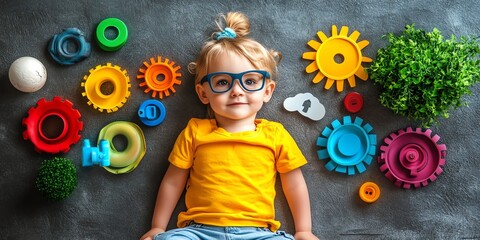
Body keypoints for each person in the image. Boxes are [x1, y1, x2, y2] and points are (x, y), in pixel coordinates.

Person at [141, 12, 319, 240]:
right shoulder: (195, 131)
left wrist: (304, 230)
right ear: (203, 93)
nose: (237, 90)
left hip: (259, 233)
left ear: (267, 91)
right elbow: (173, 181)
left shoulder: (275, 135)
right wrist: (158, 227)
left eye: (250, 81)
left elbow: (294, 184)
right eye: (223, 82)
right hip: (198, 231)